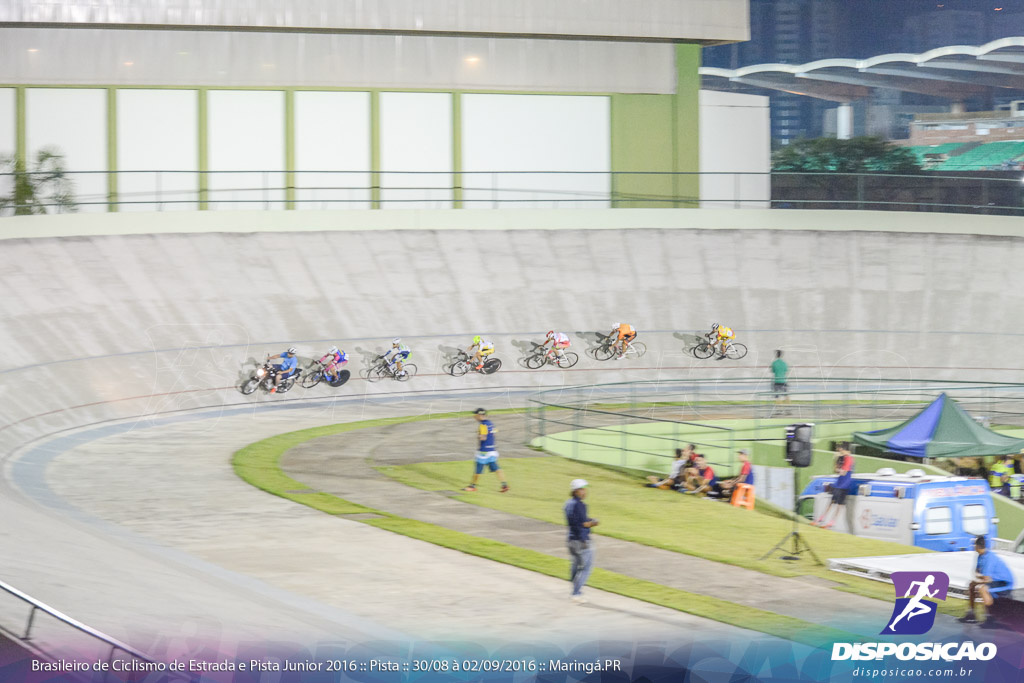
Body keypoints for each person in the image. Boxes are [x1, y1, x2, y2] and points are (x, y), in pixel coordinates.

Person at [959, 535, 1015, 626]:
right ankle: (972, 615)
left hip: (1004, 583)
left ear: (976, 546)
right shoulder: (980, 556)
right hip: (995, 581)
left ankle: (990, 619)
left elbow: (986, 579)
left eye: (974, 545)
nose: (973, 547)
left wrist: (979, 580)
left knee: (982, 588)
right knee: (972, 585)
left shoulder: (989, 558)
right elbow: (976, 572)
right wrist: (978, 580)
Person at [564, 478, 599, 603]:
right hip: (581, 540)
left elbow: (577, 520)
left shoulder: (568, 504)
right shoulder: (580, 505)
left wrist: (588, 520)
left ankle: (574, 588)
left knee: (575, 565)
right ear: (577, 491)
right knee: (585, 568)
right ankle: (576, 593)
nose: (585, 491)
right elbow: (583, 523)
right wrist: (593, 522)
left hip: (571, 539)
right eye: (583, 489)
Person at [463, 408, 509, 493]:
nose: (474, 417)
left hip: (483, 452)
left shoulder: (482, 425)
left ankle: (472, 486)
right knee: (495, 467)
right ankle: (504, 485)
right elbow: (494, 433)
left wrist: (479, 435)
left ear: (479, 415)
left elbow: (483, 437)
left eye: (475, 415)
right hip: (492, 450)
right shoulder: (491, 423)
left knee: (478, 469)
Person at [813, 445, 854, 528]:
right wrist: (836, 460)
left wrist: (840, 469)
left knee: (838, 504)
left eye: (841, 450)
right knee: (832, 503)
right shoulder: (842, 458)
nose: (839, 452)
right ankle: (821, 520)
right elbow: (836, 470)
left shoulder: (849, 458)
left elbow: (844, 472)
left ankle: (830, 522)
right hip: (839, 483)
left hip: (843, 485)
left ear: (846, 450)